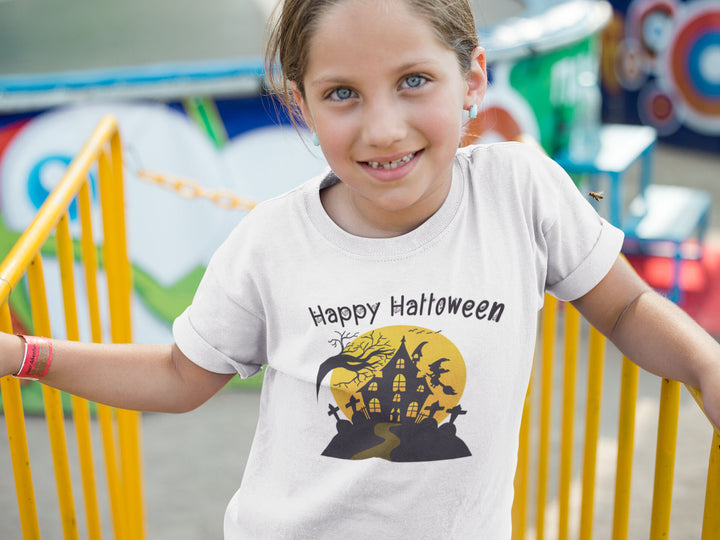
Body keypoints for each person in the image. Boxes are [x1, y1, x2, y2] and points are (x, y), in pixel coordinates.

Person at [2, 0, 719, 537]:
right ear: (301, 105)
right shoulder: (272, 242)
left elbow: (622, 307)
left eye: (414, 80)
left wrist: (704, 365)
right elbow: (178, 375)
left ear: (473, 77)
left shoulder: (519, 190)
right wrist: (27, 354)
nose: (383, 128)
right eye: (342, 93)